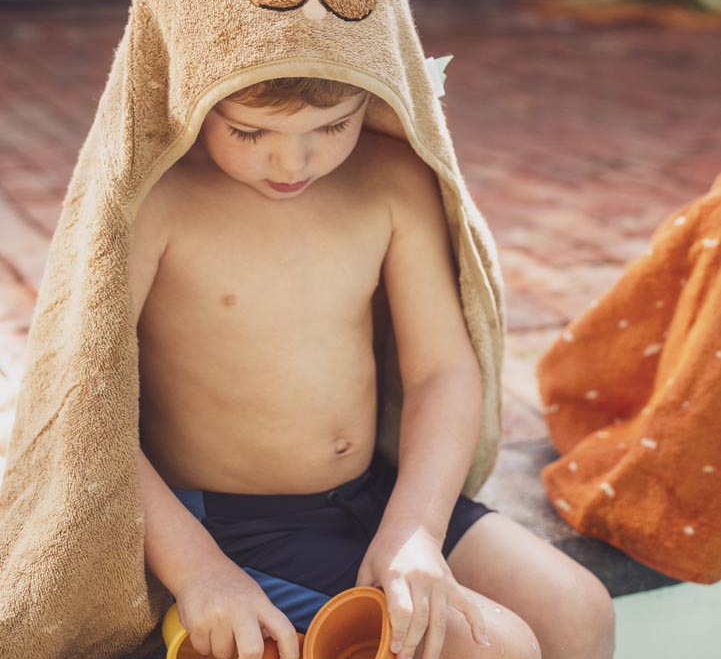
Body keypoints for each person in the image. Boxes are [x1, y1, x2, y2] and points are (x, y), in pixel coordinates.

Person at [130, 76, 615, 659]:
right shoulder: (156, 198)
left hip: (374, 495)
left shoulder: (390, 177)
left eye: (332, 125)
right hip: (233, 530)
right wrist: (198, 571)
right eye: (250, 130)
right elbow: (87, 404)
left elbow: (441, 370)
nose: (293, 159)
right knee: (498, 647)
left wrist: (415, 533)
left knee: (577, 609)